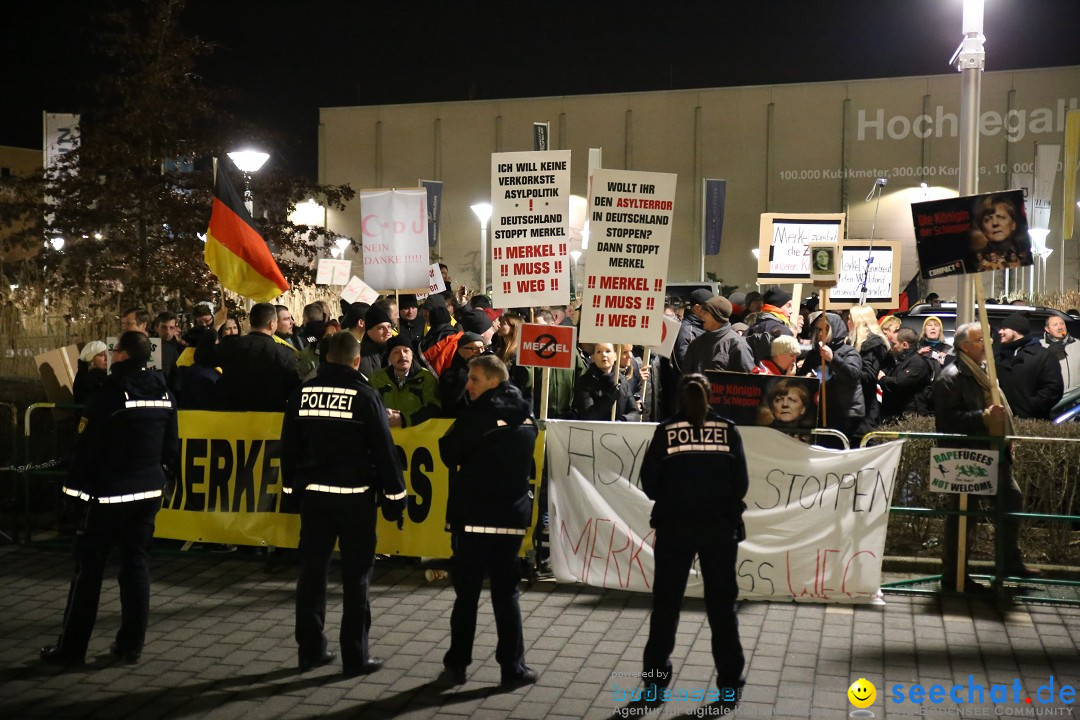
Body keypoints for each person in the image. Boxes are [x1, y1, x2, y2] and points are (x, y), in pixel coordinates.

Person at [40, 331, 179, 666]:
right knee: (136, 567)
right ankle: (130, 646)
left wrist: (72, 495)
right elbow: (171, 445)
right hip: (148, 492)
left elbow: (87, 449)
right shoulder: (164, 391)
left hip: (109, 496)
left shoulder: (110, 394)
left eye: (115, 350)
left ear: (123, 356)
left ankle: (72, 650)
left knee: (88, 572)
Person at [281, 332, 406, 677]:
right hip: (355, 498)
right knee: (356, 579)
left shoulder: (302, 393)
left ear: (324, 360)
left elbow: (288, 448)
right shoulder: (366, 396)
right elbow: (384, 452)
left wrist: (291, 493)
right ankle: (355, 656)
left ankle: (310, 650)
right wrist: (396, 499)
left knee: (311, 575)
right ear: (355, 361)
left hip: (315, 497)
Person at [640, 374, 748, 703]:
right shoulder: (727, 430)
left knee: (665, 607)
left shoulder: (666, 431)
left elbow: (650, 484)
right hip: (719, 529)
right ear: (710, 396)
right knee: (722, 609)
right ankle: (729, 683)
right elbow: (740, 484)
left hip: (674, 528)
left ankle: (655, 685)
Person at [437, 355, 538, 689]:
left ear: (495, 380)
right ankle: (513, 668)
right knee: (506, 597)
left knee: (466, 598)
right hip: (510, 521)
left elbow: (449, 451)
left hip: (474, 520)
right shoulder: (526, 415)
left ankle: (457, 666)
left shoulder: (475, 417)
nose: (468, 385)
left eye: (475, 379)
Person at [935, 322, 1039, 591]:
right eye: (981, 340)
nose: (988, 343)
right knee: (962, 516)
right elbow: (946, 421)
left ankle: (1008, 560)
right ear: (964, 346)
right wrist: (983, 417)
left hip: (992, 451)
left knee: (1011, 498)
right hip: (967, 457)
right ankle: (954, 576)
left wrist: (1003, 433)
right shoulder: (952, 375)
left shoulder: (982, 371)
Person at [213, 302, 301, 411]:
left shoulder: (230, 345)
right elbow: (294, 392)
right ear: (271, 324)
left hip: (232, 418)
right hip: (269, 420)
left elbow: (202, 357)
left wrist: (215, 326)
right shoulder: (285, 354)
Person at [796, 312, 864, 440]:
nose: (821, 333)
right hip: (821, 411)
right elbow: (803, 377)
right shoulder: (815, 353)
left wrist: (833, 359)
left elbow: (852, 375)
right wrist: (807, 378)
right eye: (818, 329)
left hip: (845, 412)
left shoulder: (848, 352)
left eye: (825, 329)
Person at [995, 312, 1063, 420]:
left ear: (1016, 330)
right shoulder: (999, 356)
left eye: (1004, 328)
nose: (1000, 332)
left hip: (1032, 423)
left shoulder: (1043, 356)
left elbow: (1053, 388)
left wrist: (1030, 406)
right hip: (1003, 421)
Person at [369, 335, 441, 427]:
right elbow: (369, 407)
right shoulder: (376, 379)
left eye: (406, 351)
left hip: (418, 435)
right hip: (387, 434)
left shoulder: (426, 377)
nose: (403, 355)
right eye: (396, 352)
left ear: (412, 355)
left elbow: (434, 407)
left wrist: (404, 419)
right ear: (389, 358)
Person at [847, 305, 892, 434]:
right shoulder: (852, 342)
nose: (847, 322)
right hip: (852, 404)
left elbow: (868, 376)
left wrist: (842, 366)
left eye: (850, 319)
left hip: (865, 408)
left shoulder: (873, 345)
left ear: (858, 322)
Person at [682, 296, 755, 375]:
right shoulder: (696, 343)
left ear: (717, 317)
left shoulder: (738, 345)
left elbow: (748, 382)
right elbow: (686, 376)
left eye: (706, 312)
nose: (701, 315)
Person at [878, 328, 935, 423]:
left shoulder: (917, 363)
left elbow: (900, 383)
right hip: (898, 414)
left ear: (905, 345)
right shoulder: (904, 360)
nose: (892, 347)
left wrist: (882, 379)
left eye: (894, 343)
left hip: (909, 417)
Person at [574, 343, 641, 421]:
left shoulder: (621, 380)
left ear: (615, 356)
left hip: (619, 431)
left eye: (608, 351)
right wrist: (609, 398)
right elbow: (588, 416)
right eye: (599, 352)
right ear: (593, 357)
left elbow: (635, 413)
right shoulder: (585, 381)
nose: (604, 355)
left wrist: (622, 421)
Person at [970, 194, 1033, 270]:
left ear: (1013, 224)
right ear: (983, 229)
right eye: (988, 219)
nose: (995, 223)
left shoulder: (1026, 256)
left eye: (1001, 217)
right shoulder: (975, 261)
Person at [1040, 314, 1080, 394]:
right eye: (1055, 325)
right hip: (1054, 398)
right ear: (1047, 329)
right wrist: (1047, 353)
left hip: (1075, 394)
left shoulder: (1077, 343)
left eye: (1062, 324)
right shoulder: (1040, 345)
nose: (1060, 327)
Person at [72, 341, 108, 406]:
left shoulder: (103, 375)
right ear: (91, 360)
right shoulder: (85, 378)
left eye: (107, 354)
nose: (106, 358)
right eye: (101, 355)